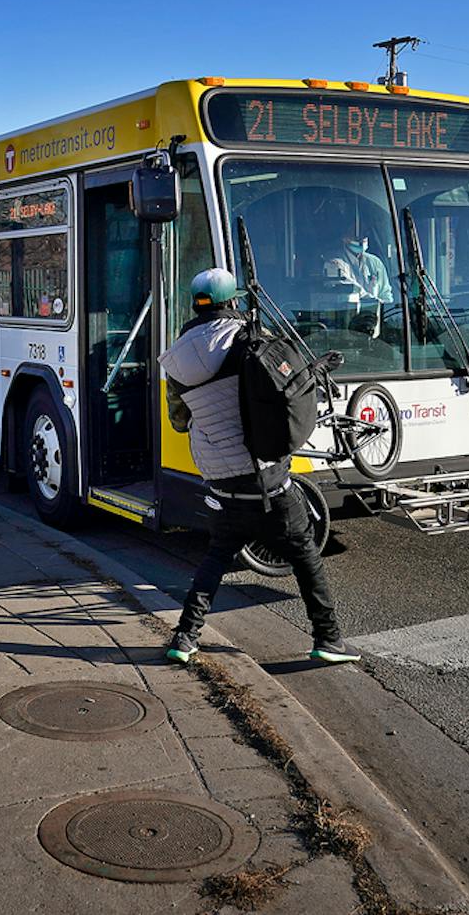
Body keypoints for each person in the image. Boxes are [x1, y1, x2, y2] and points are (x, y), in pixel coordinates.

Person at [159, 267, 360, 665]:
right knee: (304, 553)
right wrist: (316, 371)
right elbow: (285, 389)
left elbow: (179, 421)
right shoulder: (249, 340)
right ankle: (329, 639)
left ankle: (184, 639)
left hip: (218, 477)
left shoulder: (177, 356)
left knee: (217, 556)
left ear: (195, 305)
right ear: (232, 301)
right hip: (263, 477)